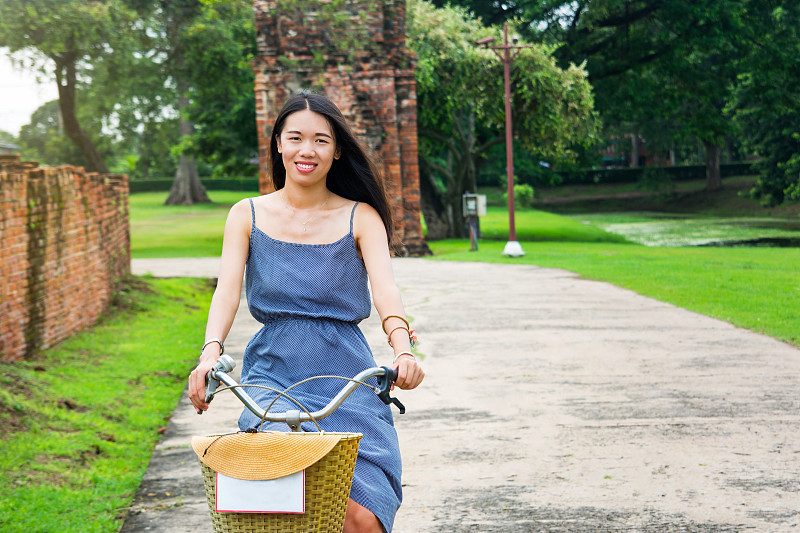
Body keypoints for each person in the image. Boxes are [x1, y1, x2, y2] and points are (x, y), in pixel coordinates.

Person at [187, 90, 425, 533]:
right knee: (277, 495)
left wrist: (403, 350)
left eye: (321, 140)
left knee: (362, 517)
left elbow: (386, 291)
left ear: (336, 152)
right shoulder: (247, 214)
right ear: (278, 143)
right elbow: (226, 292)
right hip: (273, 375)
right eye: (295, 138)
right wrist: (208, 355)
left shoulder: (361, 217)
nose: (306, 150)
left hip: (347, 376)